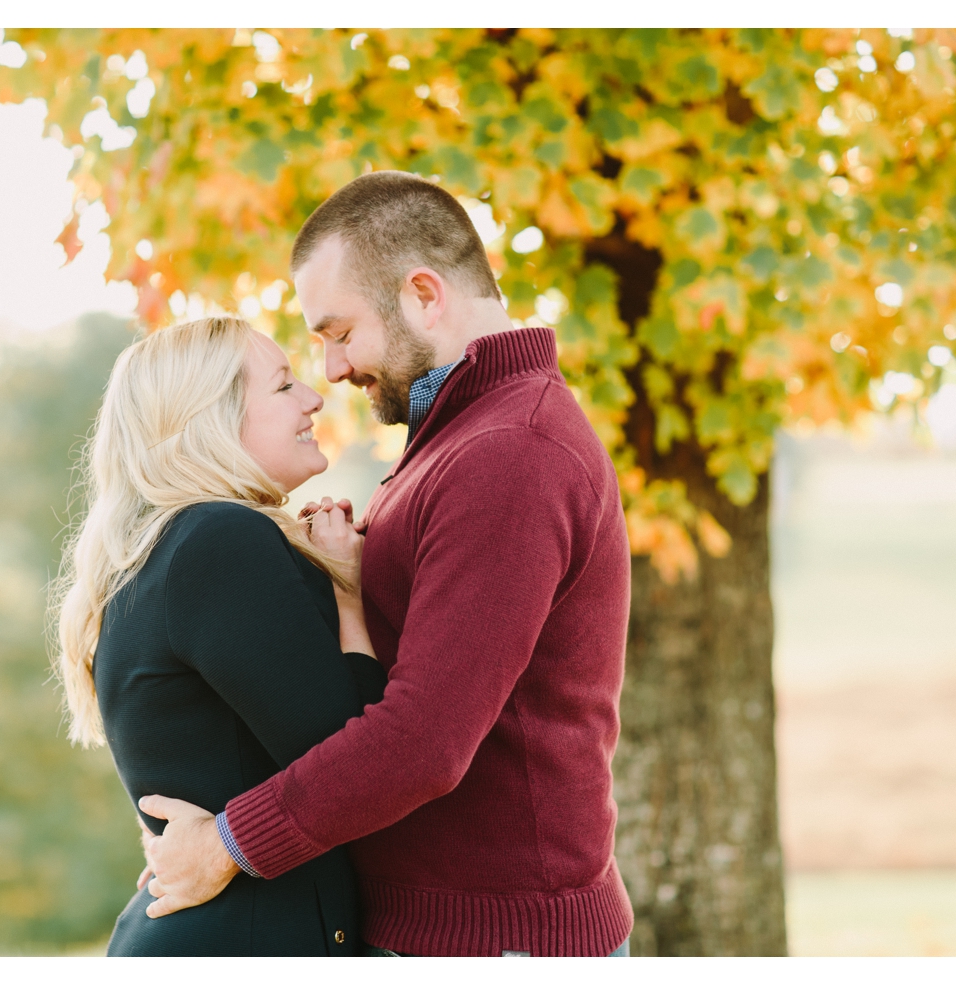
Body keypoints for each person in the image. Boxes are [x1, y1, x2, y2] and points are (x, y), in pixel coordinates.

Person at [137, 171, 635, 957]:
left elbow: (425, 739)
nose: (331, 370)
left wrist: (229, 842)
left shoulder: (510, 452)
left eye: (338, 332)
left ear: (424, 294)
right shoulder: (457, 436)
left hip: (496, 943)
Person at [54, 316, 384, 955]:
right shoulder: (219, 540)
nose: (314, 398)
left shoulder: (160, 552)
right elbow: (352, 761)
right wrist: (349, 593)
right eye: (285, 386)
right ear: (215, 418)